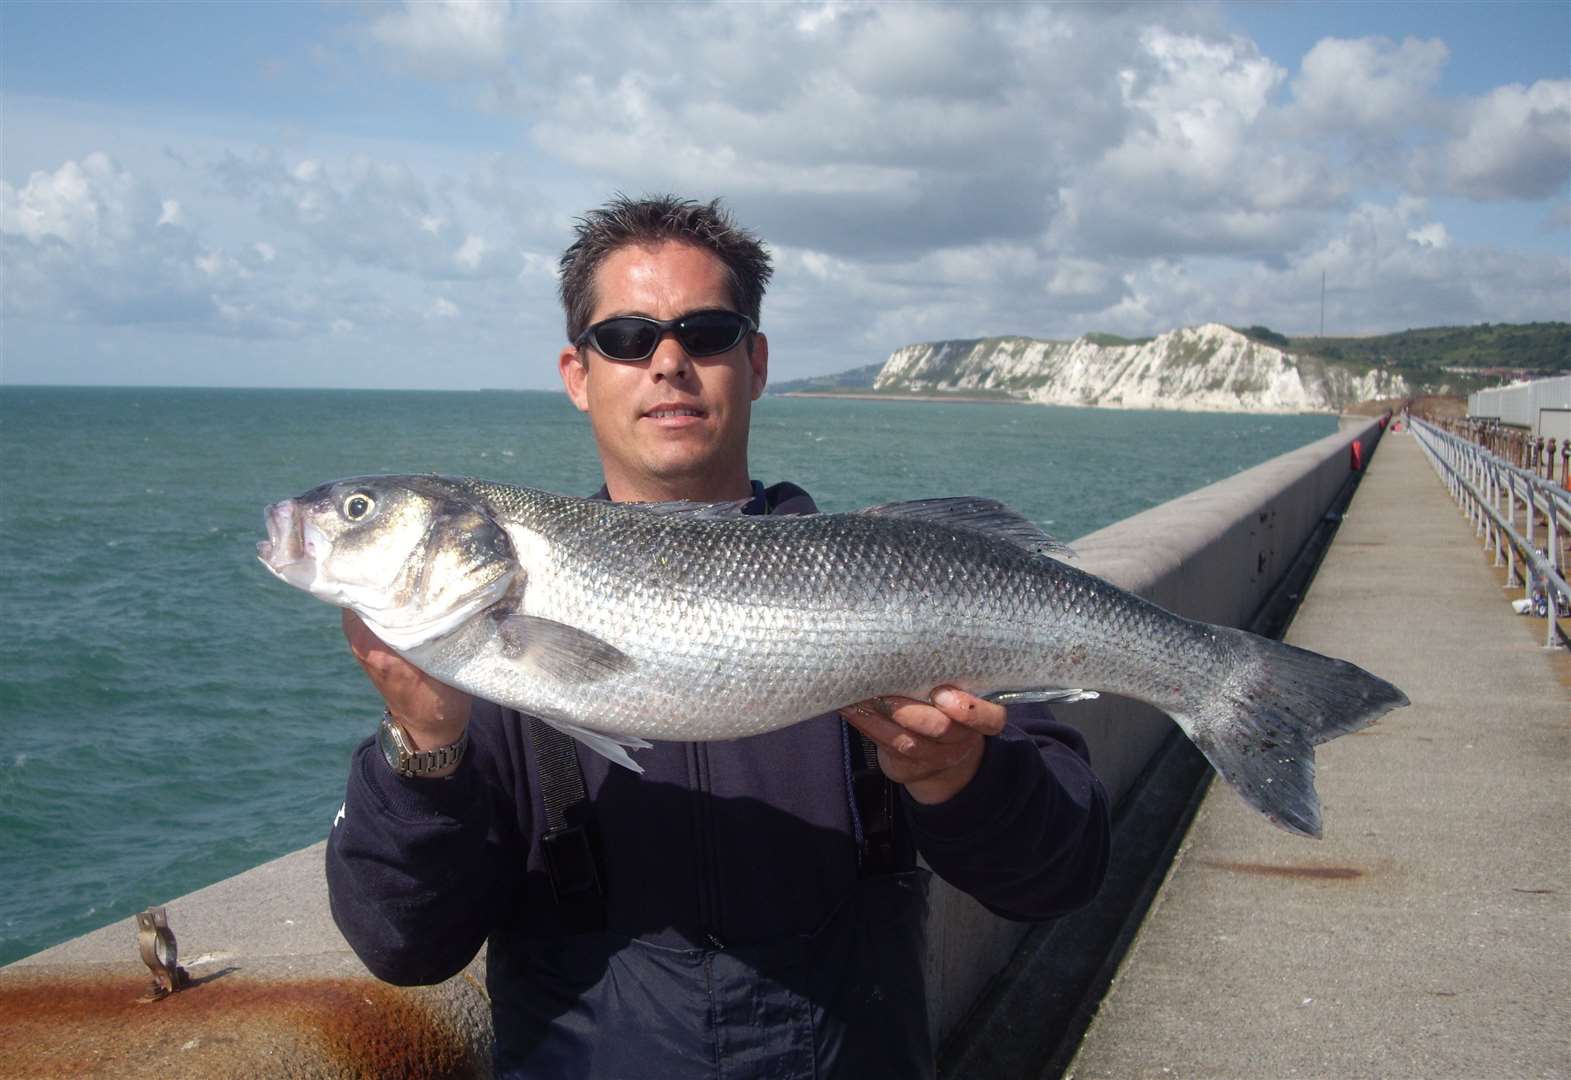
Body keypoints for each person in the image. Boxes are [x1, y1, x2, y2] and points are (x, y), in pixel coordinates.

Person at [326, 194, 1111, 1079]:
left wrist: (962, 777)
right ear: (577, 373)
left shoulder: (898, 582)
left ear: (756, 360)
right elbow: (403, 945)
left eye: (706, 332)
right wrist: (427, 748)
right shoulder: (495, 639)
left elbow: (1061, 874)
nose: (668, 361)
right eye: (625, 337)